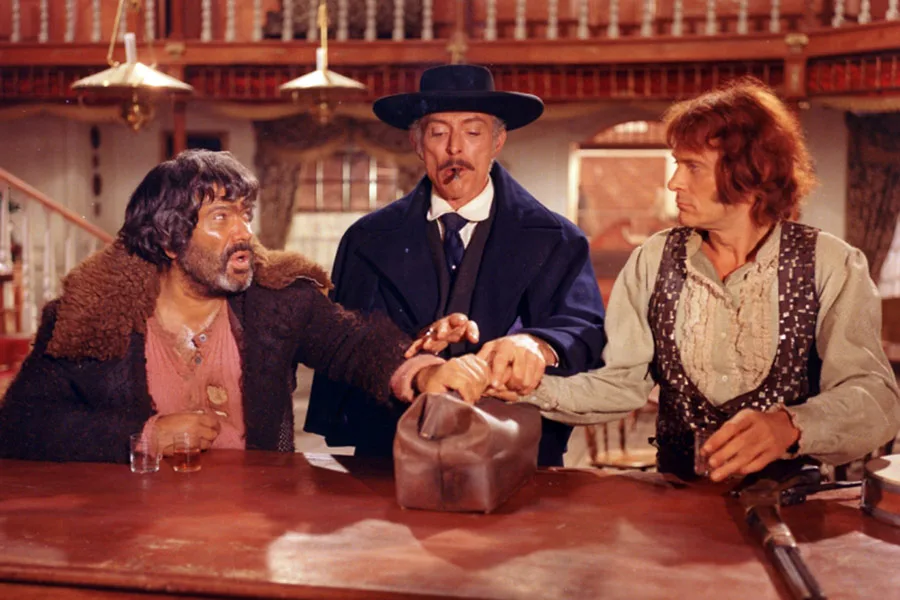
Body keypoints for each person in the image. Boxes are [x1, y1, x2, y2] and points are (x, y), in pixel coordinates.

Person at [510, 78, 900, 481]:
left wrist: (791, 426)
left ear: (753, 172)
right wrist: (526, 388)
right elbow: (620, 384)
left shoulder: (830, 264)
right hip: (677, 500)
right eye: (677, 164)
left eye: (692, 166)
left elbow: (876, 399)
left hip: (792, 503)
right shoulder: (653, 259)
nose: (674, 182)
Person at [0, 150, 488, 464]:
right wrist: (143, 437)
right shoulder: (91, 317)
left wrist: (422, 373)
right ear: (169, 240)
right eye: (221, 218)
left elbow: (355, 343)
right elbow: (20, 425)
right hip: (133, 526)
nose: (244, 234)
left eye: (245, 215)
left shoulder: (278, 301)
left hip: (256, 523)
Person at [305, 64, 606, 466]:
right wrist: (411, 351)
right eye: (438, 133)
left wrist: (537, 344)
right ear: (417, 143)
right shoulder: (366, 239)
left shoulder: (558, 239)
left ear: (497, 142)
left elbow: (584, 328)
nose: (455, 150)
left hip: (515, 453)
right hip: (392, 453)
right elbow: (345, 341)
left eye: (473, 132)